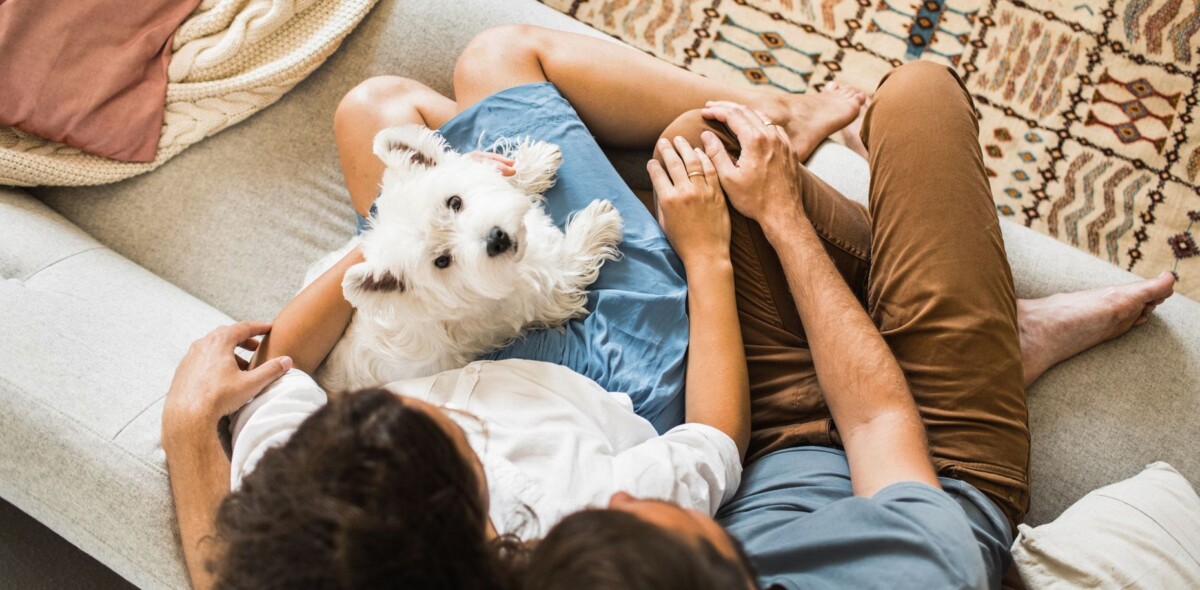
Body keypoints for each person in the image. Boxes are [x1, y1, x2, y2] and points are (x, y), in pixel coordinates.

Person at [160, 25, 1176, 590]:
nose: (429, 402)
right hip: (889, 448)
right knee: (910, 98)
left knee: (689, 148)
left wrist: (189, 441)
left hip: (763, 433)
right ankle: (991, 339)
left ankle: (981, 324)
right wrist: (759, 232)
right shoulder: (906, 566)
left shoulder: (410, 543)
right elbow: (869, 422)